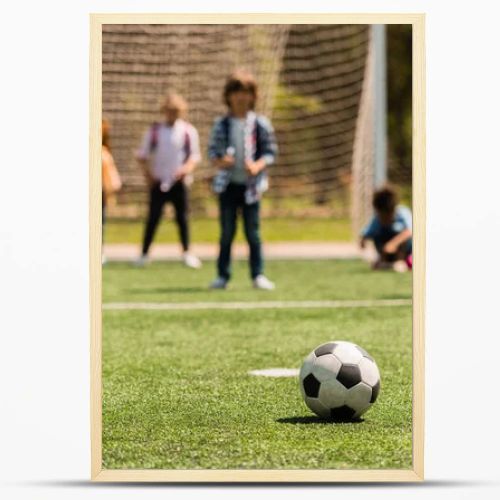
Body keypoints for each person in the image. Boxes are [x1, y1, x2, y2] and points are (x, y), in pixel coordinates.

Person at [208, 70, 278, 290]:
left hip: (251, 188)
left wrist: (257, 165)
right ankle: (223, 275)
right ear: (228, 96)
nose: (241, 97)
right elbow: (212, 152)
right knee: (227, 232)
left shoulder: (260, 123)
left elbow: (270, 152)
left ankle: (257, 274)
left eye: (246, 92)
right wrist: (221, 160)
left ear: (253, 96)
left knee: (253, 232)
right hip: (227, 186)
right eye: (236, 92)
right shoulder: (221, 124)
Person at [135, 93, 202, 268]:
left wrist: (185, 170)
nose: (172, 114)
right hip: (158, 181)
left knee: (182, 218)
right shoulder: (155, 131)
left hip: (179, 183)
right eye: (169, 110)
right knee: (153, 218)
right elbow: (142, 155)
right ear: (164, 110)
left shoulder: (188, 131)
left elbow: (194, 157)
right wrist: (148, 175)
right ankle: (144, 253)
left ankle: (187, 252)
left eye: (176, 111)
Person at [360, 185, 412, 271]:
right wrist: (363, 240)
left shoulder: (403, 213)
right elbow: (367, 233)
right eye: (380, 216)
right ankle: (383, 261)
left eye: (385, 216)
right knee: (377, 235)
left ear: (392, 210)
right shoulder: (377, 218)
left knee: (404, 236)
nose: (383, 219)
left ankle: (400, 261)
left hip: (404, 250)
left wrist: (393, 243)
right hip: (385, 252)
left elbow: (410, 231)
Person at [102, 119, 122, 264]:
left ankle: (99, 251)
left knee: (99, 224)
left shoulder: (104, 152)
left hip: (100, 193)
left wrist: (111, 188)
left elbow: (111, 175)